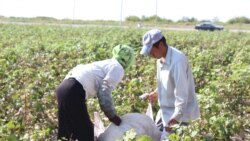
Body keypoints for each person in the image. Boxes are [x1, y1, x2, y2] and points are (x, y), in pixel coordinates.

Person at [55, 44, 134, 141]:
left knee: (66, 133)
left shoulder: (105, 63)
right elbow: (104, 91)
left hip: (63, 89)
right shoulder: (118, 68)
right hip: (74, 91)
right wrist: (112, 116)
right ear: (129, 61)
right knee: (86, 132)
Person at [140, 29, 200, 140]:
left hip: (181, 116)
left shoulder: (178, 61)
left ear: (161, 45)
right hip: (165, 111)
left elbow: (182, 95)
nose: (150, 54)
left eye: (151, 51)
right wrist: (156, 93)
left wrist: (174, 120)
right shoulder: (160, 60)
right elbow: (167, 83)